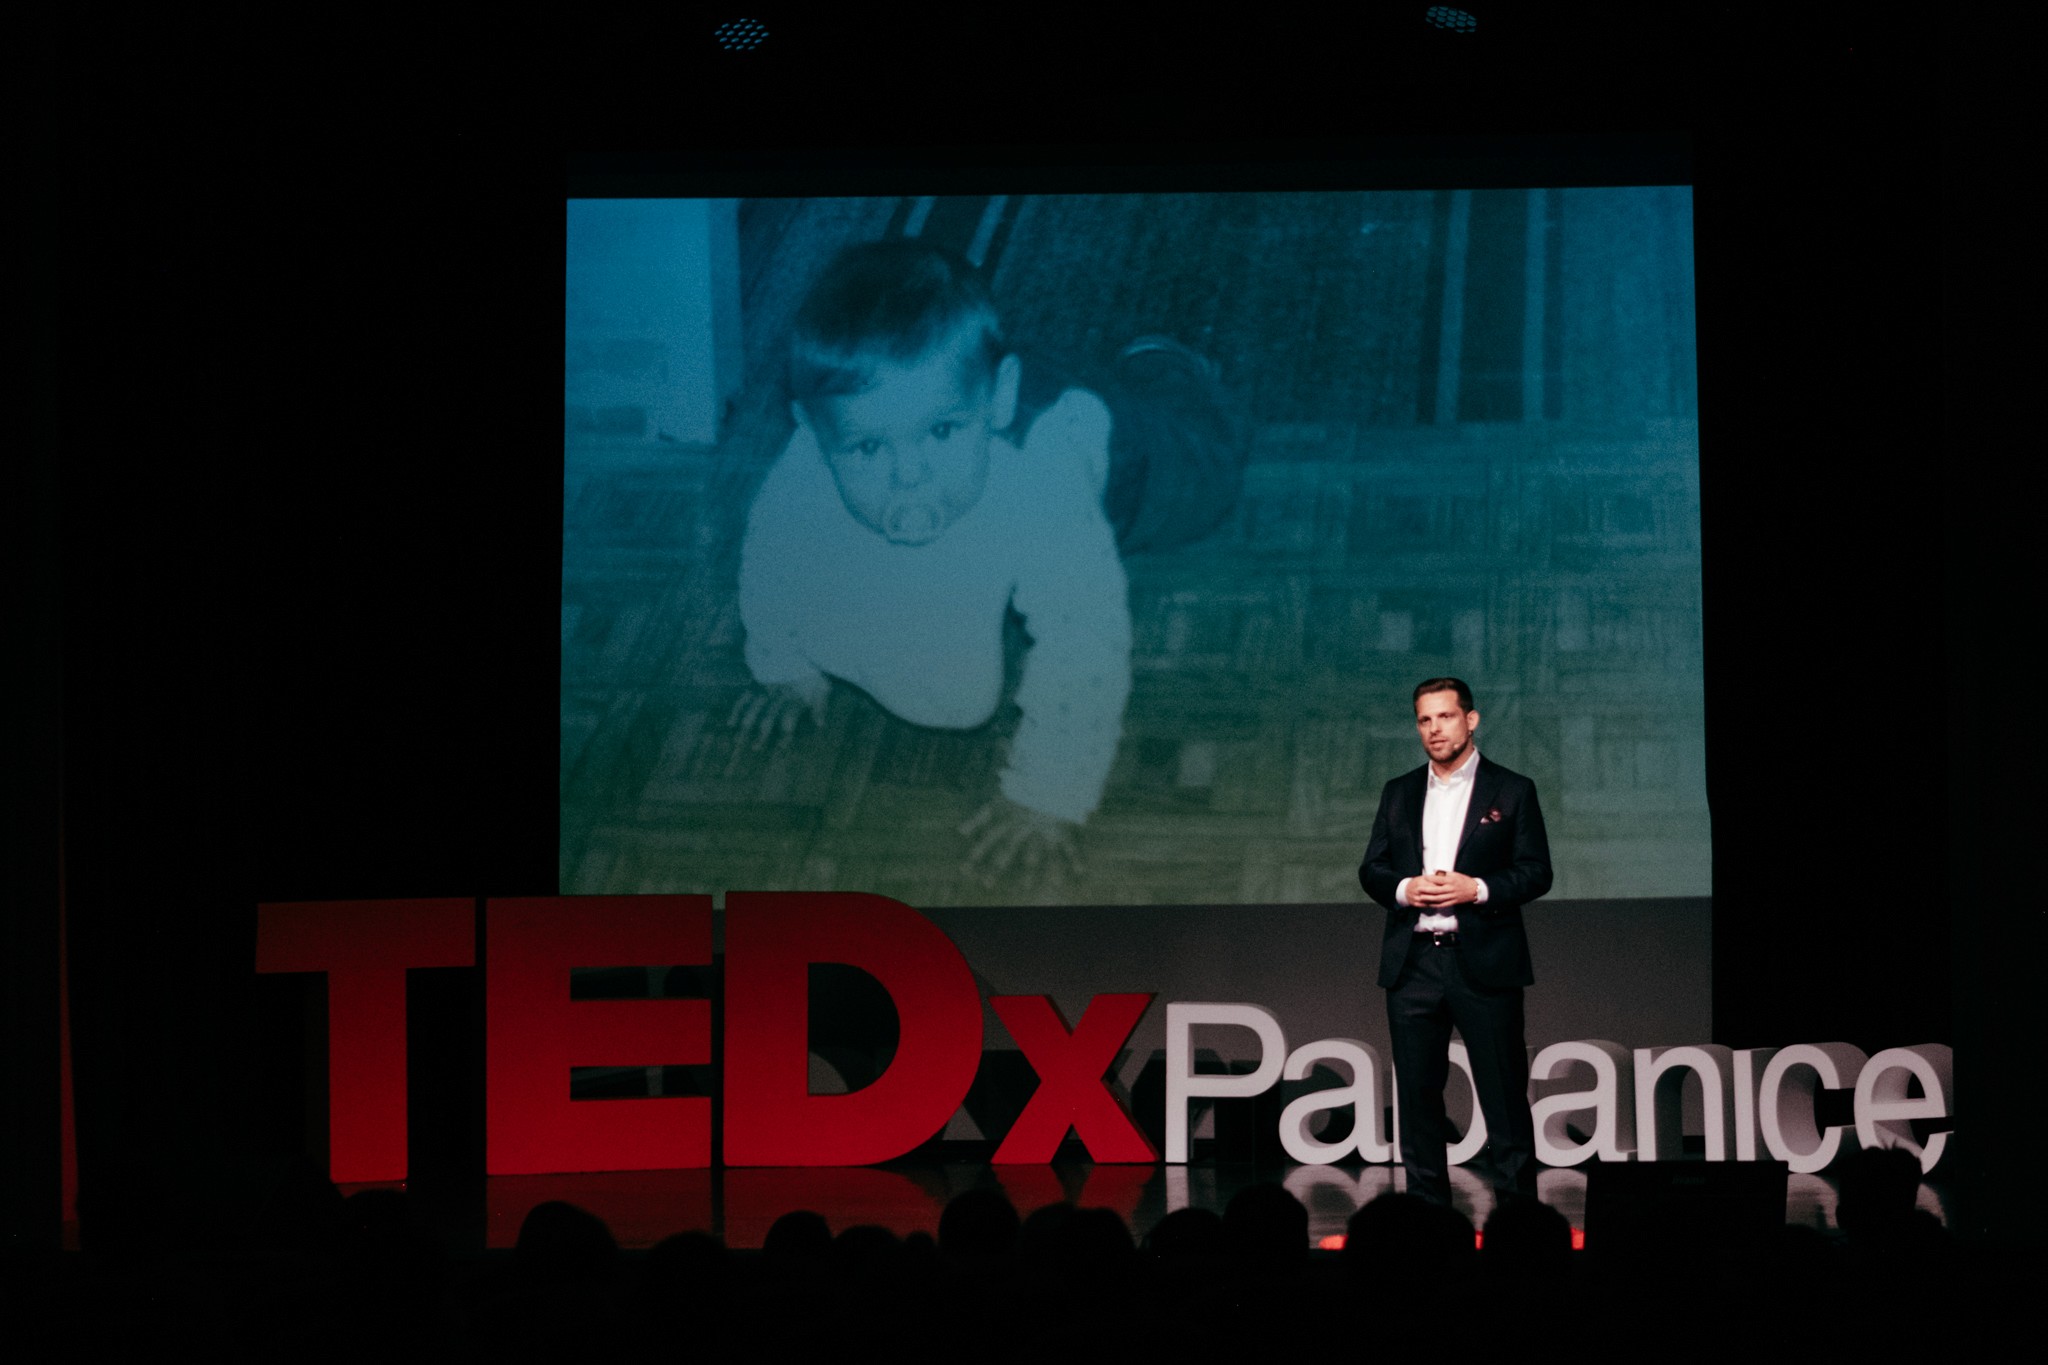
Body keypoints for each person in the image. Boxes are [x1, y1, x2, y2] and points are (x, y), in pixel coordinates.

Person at [732, 239, 1239, 884]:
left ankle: (1169, 365)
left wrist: (1046, 794)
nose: (908, 477)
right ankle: (1081, 372)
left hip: (1131, 456)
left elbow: (1083, 645)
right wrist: (784, 664)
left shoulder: (1042, 482)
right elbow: (771, 565)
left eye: (938, 434)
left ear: (998, 400)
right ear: (809, 427)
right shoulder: (799, 477)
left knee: (1207, 476)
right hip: (986, 385)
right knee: (953, 407)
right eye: (865, 448)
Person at [1358, 677, 1552, 1205]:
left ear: (1471, 719)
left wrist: (1478, 888)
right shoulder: (1399, 792)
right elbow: (1371, 869)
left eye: (1445, 717)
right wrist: (1405, 888)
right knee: (1419, 1104)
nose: (1434, 729)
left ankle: (1519, 1222)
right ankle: (1428, 1221)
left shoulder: (1512, 790)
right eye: (1424, 720)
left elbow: (1536, 872)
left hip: (1483, 962)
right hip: (1414, 962)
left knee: (1504, 1096)